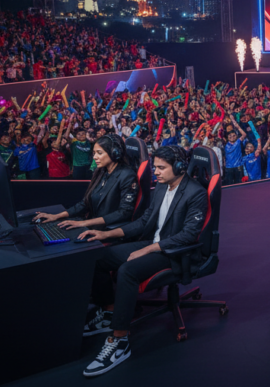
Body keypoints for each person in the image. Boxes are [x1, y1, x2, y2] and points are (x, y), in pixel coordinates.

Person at [77, 146, 208, 377]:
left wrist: (149, 249)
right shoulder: (161, 186)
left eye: (161, 168)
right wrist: (105, 234)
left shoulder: (195, 192)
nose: (155, 172)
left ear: (179, 167)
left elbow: (189, 235)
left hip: (173, 252)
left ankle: (119, 341)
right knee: (99, 257)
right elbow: (144, 221)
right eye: (155, 167)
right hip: (153, 243)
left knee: (127, 270)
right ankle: (109, 313)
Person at [32, 135, 137, 230]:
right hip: (92, 224)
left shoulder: (127, 175)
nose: (95, 157)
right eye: (94, 153)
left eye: (99, 153)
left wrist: (83, 223)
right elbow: (85, 203)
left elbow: (124, 212)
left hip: (107, 229)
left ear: (115, 153)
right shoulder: (101, 172)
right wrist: (57, 216)